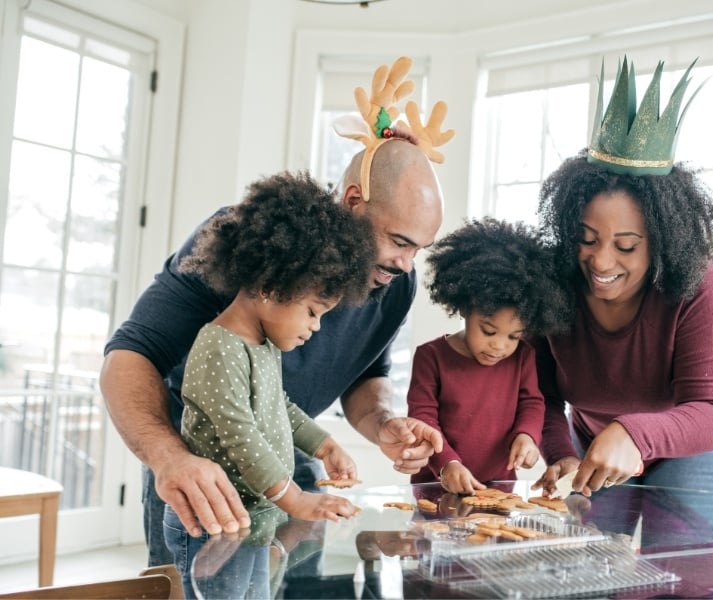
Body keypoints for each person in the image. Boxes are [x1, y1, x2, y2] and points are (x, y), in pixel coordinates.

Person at [99, 56, 453, 566]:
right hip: (203, 482)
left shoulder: (396, 282)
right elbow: (131, 355)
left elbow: (363, 373)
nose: (405, 263)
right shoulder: (245, 240)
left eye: (419, 248)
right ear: (354, 200)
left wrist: (381, 424)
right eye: (399, 241)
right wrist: (168, 457)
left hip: (289, 466)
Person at [531, 56, 713, 499]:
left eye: (626, 246)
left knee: (688, 561)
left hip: (696, 443)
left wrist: (633, 434)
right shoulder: (551, 280)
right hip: (596, 436)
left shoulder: (697, 282)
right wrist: (560, 453)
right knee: (592, 557)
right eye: (587, 238)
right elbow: (540, 394)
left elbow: (709, 411)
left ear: (662, 242)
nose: (602, 262)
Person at [161, 171, 371, 596]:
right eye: (313, 311)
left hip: (252, 520)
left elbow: (280, 407)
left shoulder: (263, 345)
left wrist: (323, 445)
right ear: (273, 287)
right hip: (213, 523)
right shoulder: (219, 346)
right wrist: (296, 500)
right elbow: (241, 435)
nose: (315, 327)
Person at [406, 218, 570, 494]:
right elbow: (423, 419)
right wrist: (448, 464)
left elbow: (532, 403)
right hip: (437, 484)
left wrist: (527, 436)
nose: (499, 346)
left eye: (513, 336)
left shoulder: (523, 357)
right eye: (488, 330)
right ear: (464, 308)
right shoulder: (430, 357)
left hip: (498, 488)